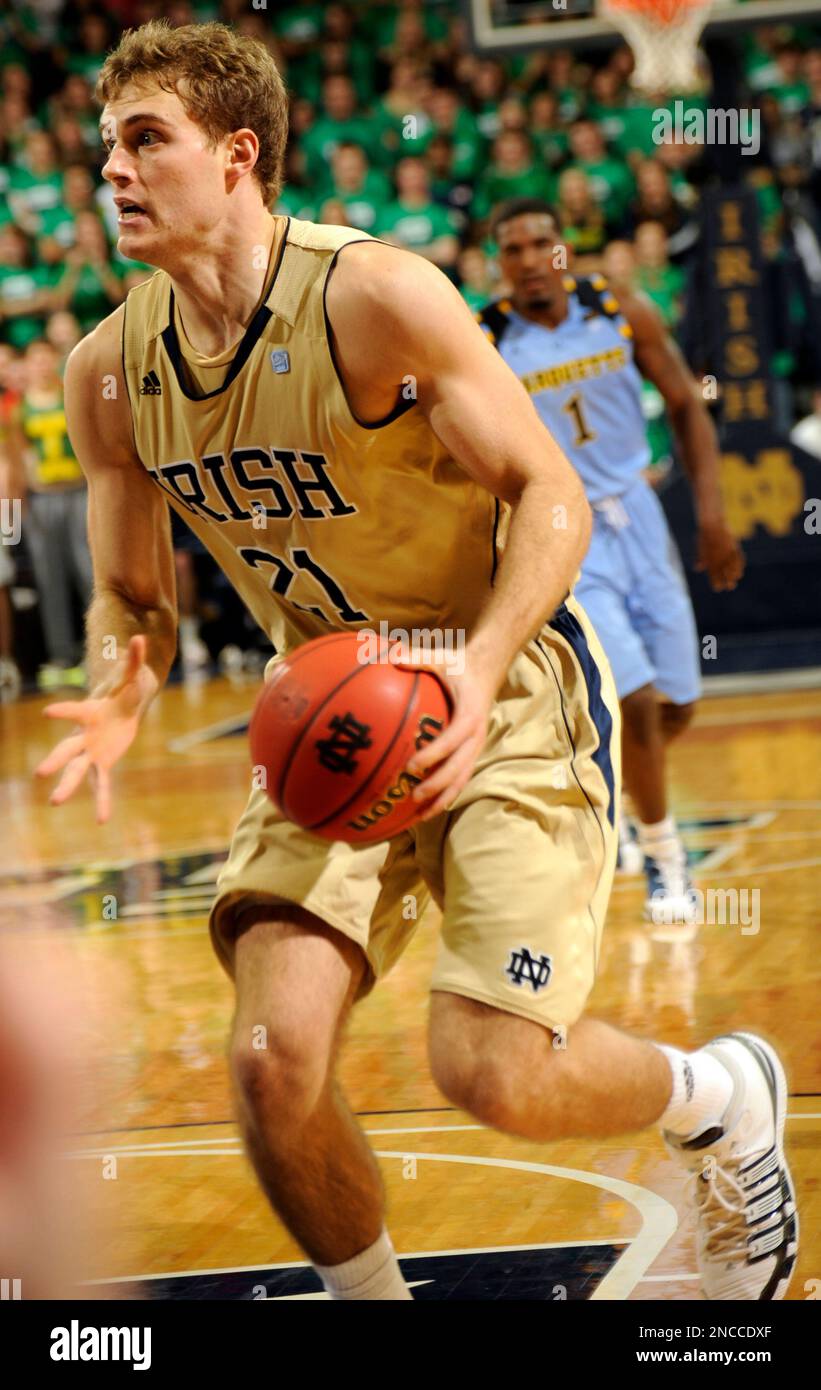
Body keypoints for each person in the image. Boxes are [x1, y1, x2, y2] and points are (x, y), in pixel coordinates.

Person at [38, 21, 796, 1303]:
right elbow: (128, 598)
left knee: (489, 1068)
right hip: (328, 720)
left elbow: (547, 489)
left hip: (498, 690)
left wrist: (473, 658)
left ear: (238, 155)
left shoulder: (373, 296)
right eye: (105, 143)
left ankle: (718, 1094)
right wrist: (122, 683)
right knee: (270, 1063)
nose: (111, 167)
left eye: (144, 139)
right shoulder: (107, 374)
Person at [479, 199, 744, 927]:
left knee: (674, 707)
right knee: (631, 701)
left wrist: (712, 515)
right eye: (514, 250)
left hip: (642, 513)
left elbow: (688, 405)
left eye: (542, 244)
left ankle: (627, 799)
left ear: (563, 251)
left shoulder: (623, 313)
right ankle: (667, 866)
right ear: (499, 266)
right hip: (563, 529)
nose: (531, 259)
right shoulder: (485, 343)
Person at [6, 337, 92, 689]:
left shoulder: (70, 394)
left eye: (46, 359)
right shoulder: (17, 410)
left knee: (89, 572)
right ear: (26, 366)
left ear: (56, 360)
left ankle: (98, 648)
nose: (41, 366)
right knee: (49, 579)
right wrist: (13, 522)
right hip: (40, 501)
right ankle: (60, 655)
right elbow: (15, 464)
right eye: (35, 360)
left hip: (78, 492)